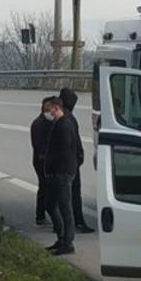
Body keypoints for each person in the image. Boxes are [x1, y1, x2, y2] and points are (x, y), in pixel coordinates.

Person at [42, 97, 78, 255]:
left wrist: (54, 167)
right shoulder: (57, 124)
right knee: (50, 204)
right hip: (56, 172)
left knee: (65, 207)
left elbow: (63, 152)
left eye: (47, 110)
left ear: (56, 108)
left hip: (62, 172)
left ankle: (68, 241)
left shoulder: (64, 126)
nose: (46, 113)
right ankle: (61, 237)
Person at [59, 87, 95, 233]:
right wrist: (79, 156)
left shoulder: (63, 116)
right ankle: (75, 222)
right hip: (70, 163)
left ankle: (66, 223)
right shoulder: (68, 118)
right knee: (72, 194)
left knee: (65, 194)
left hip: (67, 163)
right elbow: (74, 142)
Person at [30, 96, 59, 228]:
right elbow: (40, 145)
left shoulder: (43, 122)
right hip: (42, 161)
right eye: (49, 108)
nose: (51, 111)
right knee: (46, 188)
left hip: (42, 160)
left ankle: (41, 215)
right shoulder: (41, 123)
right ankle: (43, 215)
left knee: (44, 187)